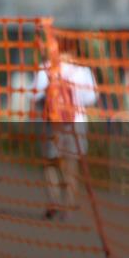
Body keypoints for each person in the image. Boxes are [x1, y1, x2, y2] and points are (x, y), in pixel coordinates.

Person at [29, 57, 99, 220]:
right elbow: (91, 98)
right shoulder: (82, 70)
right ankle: (68, 208)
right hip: (76, 123)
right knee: (71, 164)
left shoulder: (45, 67)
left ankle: (54, 202)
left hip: (51, 123)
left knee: (50, 163)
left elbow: (34, 95)